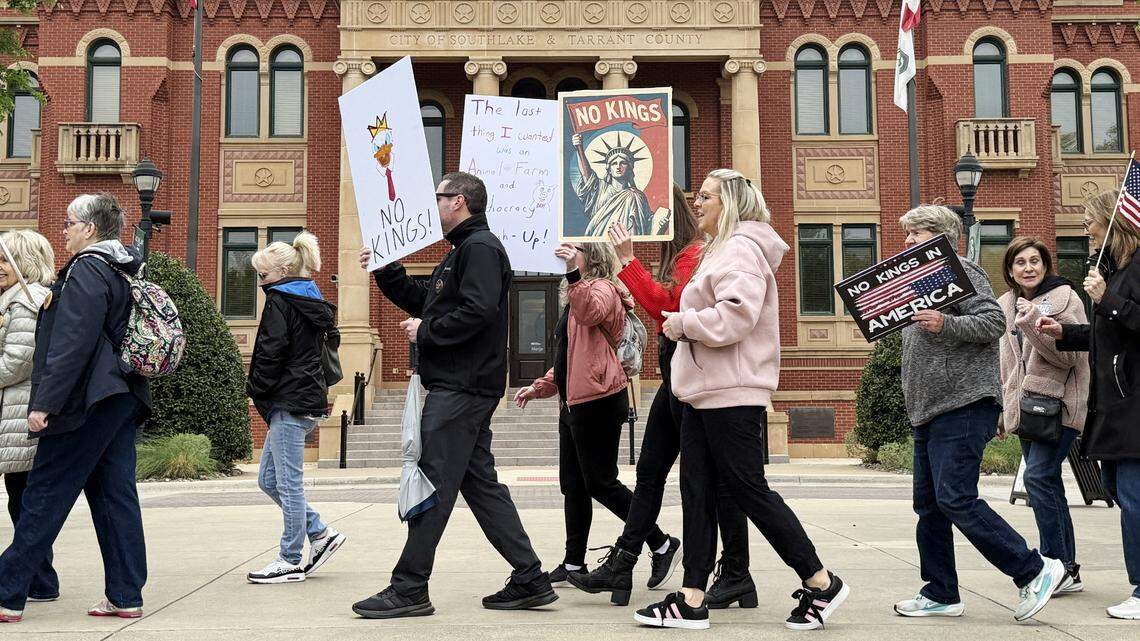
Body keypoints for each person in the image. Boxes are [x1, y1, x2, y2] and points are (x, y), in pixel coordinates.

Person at [635, 169, 849, 631]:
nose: (697, 203)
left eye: (706, 196)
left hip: (730, 392)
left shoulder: (739, 248)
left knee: (749, 490)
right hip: (703, 391)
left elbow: (737, 314)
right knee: (697, 491)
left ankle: (820, 581)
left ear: (730, 201)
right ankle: (692, 598)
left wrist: (683, 323)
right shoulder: (721, 247)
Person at [353, 171, 555, 619]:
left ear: (458, 201)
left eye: (439, 197)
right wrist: (386, 268)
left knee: (434, 484)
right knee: (480, 485)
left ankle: (409, 588)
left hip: (462, 388)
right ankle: (530, 578)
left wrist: (427, 332)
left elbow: (476, 311)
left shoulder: (479, 249)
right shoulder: (462, 251)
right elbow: (428, 300)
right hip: (462, 386)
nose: (434, 204)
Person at [570, 184, 754, 608]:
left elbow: (668, 308)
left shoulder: (697, 253)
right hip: (677, 368)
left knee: (718, 481)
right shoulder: (682, 256)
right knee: (652, 469)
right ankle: (627, 559)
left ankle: (736, 572)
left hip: (697, 372)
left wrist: (628, 260)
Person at [893, 205, 1065, 623]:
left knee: (956, 498)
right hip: (928, 411)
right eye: (908, 234)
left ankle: (1035, 569)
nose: (908, 242)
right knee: (930, 506)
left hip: (963, 405)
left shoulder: (962, 271)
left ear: (940, 237)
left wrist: (944, 324)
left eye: (916, 234)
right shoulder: (916, 284)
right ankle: (941, 593)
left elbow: (992, 322)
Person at [0, 194, 151, 623]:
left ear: (88, 228)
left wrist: (44, 402)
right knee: (114, 495)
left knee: (45, 493)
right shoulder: (121, 266)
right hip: (121, 395)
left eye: (68, 223)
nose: (63, 230)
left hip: (86, 400)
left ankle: (7, 593)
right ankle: (125, 594)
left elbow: (73, 344)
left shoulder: (87, 268)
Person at [514, 242, 670, 604]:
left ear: (592, 256)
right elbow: (573, 359)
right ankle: (573, 564)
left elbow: (589, 312)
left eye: (576, 250)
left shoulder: (603, 289)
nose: (568, 253)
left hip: (599, 400)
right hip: (575, 404)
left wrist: (572, 274)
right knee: (574, 486)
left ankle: (660, 543)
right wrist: (540, 387)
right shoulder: (577, 295)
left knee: (601, 482)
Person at [1037, 189, 1140, 619]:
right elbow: (1106, 337)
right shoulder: (1114, 272)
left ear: (1113, 224)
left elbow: (1130, 320)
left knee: (1134, 498)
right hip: (1110, 405)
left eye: (1089, 222)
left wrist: (1106, 301)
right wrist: (1066, 333)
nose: (1085, 230)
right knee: (1117, 490)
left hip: (1134, 402)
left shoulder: (1134, 271)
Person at [245, 232, 347, 584]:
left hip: (290, 401)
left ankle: (289, 558)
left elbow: (271, 351)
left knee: (289, 484)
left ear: (284, 270)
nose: (261, 282)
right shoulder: (310, 298)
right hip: (305, 397)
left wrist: (255, 388)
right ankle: (319, 533)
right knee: (268, 479)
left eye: (264, 275)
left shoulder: (280, 300)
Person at [997, 236, 1089, 594]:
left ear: (1046, 266)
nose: (1028, 268)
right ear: (1009, 269)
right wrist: (1002, 409)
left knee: (1037, 479)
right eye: (1020, 262)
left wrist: (1035, 322)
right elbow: (1005, 362)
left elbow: (1071, 355)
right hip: (1025, 407)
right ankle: (1067, 569)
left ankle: (1053, 566)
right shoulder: (1006, 303)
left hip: (1061, 404)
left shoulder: (1065, 298)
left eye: (1035, 261)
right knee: (1046, 485)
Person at [0, 230, 58, 605]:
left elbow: (16, 362)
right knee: (22, 501)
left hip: (20, 419)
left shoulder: (24, 301)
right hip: (17, 418)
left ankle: (36, 581)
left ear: (25, 262)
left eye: (5, 260)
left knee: (24, 501)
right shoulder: (19, 299)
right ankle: (40, 580)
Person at [571, 132, 654, 237]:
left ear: (629, 168)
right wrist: (579, 148)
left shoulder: (637, 196)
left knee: (632, 196)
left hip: (629, 244)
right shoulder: (600, 187)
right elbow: (586, 173)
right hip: (600, 238)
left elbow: (647, 223)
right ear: (609, 169)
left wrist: (659, 220)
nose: (618, 167)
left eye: (623, 163)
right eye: (614, 163)